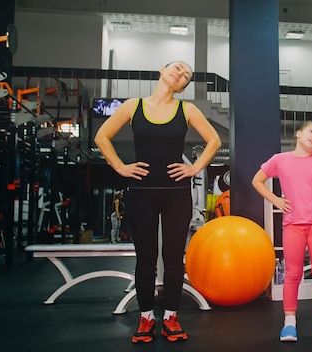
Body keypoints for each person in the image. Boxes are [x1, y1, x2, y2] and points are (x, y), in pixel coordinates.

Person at [94, 61, 221, 344]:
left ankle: (171, 317)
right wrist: (120, 167)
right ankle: (147, 317)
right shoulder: (132, 106)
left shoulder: (186, 109)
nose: (180, 73)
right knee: (146, 258)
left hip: (176, 193)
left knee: (174, 258)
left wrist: (194, 168)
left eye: (185, 75)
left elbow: (214, 141)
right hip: (141, 192)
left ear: (183, 86)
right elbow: (101, 136)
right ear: (162, 71)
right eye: (176, 68)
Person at [251, 121, 312, 342]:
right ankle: (289, 324)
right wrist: (276, 199)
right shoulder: (280, 160)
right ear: (299, 133)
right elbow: (257, 180)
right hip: (293, 225)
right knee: (293, 274)